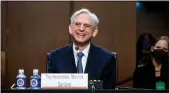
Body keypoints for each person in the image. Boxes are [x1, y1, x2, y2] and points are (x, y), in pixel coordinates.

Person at [47, 8, 117, 89]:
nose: (81, 29)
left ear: (94, 32)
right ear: (70, 28)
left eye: (87, 26)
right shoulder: (55, 57)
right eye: (77, 24)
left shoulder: (107, 58)